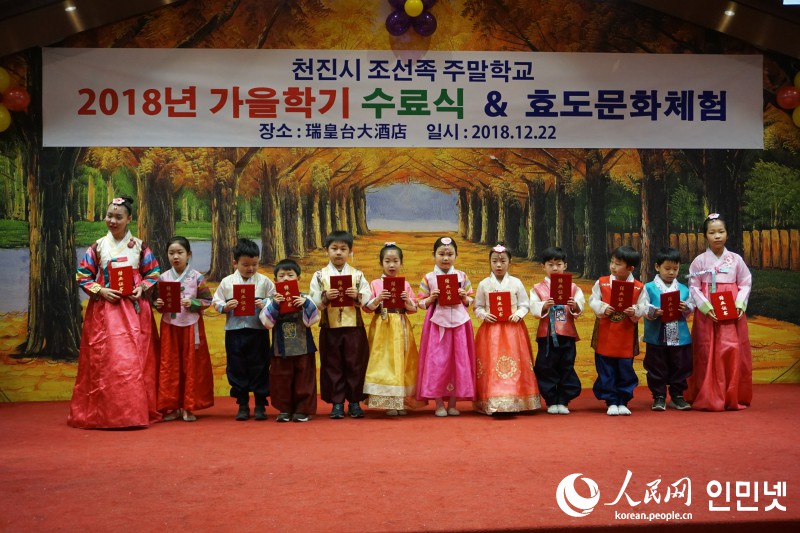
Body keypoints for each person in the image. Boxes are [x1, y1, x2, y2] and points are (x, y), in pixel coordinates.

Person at [68, 196, 161, 429]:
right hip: (105, 311)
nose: (112, 220)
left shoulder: (139, 246)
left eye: (118, 217)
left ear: (129, 219)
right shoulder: (98, 246)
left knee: (134, 361)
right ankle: (103, 413)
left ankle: (136, 411)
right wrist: (100, 290)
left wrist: (142, 288)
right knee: (108, 360)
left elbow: (153, 272)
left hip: (134, 310)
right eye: (109, 216)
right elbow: (82, 275)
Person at [685, 213, 753, 411]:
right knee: (705, 351)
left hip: (731, 309)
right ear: (705, 236)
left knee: (731, 348)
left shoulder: (736, 260)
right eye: (712, 232)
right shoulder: (699, 261)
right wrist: (706, 307)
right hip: (708, 312)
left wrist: (739, 304)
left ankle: (731, 395)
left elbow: (745, 282)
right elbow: (694, 286)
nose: (717, 236)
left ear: (727, 234)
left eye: (721, 231)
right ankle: (707, 394)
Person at [309, 230, 372, 419]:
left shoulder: (358, 275)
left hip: (354, 329)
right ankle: (337, 403)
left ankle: (354, 402)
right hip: (330, 328)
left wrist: (357, 296)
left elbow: (367, 299)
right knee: (332, 365)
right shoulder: (319, 275)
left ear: (350, 252)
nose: (338, 253)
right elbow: (313, 301)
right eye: (334, 248)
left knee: (355, 364)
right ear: (326, 250)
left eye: (343, 249)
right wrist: (325, 297)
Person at [473, 244, 540, 415]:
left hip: (513, 330)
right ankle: (493, 401)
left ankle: (518, 399)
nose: (499, 265)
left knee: (515, 362)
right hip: (491, 331)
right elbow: (477, 307)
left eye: (503, 261)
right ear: (489, 262)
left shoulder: (516, 283)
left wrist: (518, 314)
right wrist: (484, 315)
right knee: (492, 363)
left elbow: (524, 304)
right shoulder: (484, 284)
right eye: (494, 261)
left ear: (510, 262)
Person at [212, 238, 275, 421]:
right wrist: (225, 306)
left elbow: (275, 299)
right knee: (237, 366)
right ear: (235, 263)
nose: (250, 268)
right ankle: (243, 404)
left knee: (260, 365)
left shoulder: (264, 282)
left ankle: (261, 404)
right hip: (235, 331)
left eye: (254, 264)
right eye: (245, 265)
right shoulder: (227, 282)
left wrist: (265, 303)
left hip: (258, 331)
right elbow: (216, 301)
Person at [153, 236, 214, 422]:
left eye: (180, 252)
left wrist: (193, 302)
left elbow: (207, 300)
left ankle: (189, 406)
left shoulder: (197, 277)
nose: (175, 257)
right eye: (171, 253)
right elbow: (158, 302)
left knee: (191, 364)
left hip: (191, 327)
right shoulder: (163, 278)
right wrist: (158, 304)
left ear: (189, 254)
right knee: (170, 365)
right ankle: (172, 406)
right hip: (170, 327)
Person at [416, 236, 476, 417]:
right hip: (437, 324)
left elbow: (470, 300)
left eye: (450, 254)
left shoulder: (462, 276)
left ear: (456, 256)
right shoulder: (428, 278)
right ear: (434, 255)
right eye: (441, 254)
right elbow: (420, 303)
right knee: (437, 361)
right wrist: (431, 298)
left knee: (459, 361)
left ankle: (453, 403)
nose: (445, 258)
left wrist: (464, 297)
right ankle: (439, 403)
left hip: (460, 324)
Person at [363, 243, 421, 416]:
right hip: (383, 326)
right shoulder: (375, 284)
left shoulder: (405, 284)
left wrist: (406, 300)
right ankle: (389, 402)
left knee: (403, 360)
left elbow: (414, 309)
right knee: (384, 362)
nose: (391, 265)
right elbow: (367, 308)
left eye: (395, 261)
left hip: (401, 325)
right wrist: (378, 299)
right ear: (381, 263)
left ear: (401, 263)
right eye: (387, 261)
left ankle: (401, 401)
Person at [260, 259, 320, 422]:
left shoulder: (305, 298)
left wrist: (306, 304)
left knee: (304, 378)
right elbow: (266, 323)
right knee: (281, 379)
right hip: (281, 348)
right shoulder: (272, 300)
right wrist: (275, 305)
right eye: (282, 276)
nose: (286, 278)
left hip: (303, 347)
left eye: (290, 275)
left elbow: (313, 319)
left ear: (298, 278)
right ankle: (284, 410)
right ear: (275, 280)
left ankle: (302, 410)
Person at [588, 246, 646, 416]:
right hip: (605, 333)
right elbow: (593, 300)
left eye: (618, 264)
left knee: (625, 368)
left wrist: (635, 310)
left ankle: (623, 400)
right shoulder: (602, 282)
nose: (613, 266)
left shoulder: (638, 287)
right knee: (606, 368)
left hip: (626, 335)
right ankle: (611, 401)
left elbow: (644, 306)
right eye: (612, 262)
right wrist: (602, 307)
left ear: (630, 268)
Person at [529, 247, 585, 415]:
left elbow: (579, 308)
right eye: (550, 264)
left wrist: (575, 306)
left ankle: (563, 400)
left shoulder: (573, 288)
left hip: (567, 334)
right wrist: (544, 305)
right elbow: (534, 308)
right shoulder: (537, 288)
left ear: (565, 265)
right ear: (543, 266)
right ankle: (551, 400)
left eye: (558, 264)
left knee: (566, 365)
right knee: (546, 366)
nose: (554, 268)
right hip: (546, 335)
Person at [641, 247, 694, 412]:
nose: (671, 272)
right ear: (657, 267)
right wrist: (653, 311)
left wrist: (686, 308)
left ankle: (677, 396)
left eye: (675, 269)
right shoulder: (648, 287)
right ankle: (659, 396)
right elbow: (642, 306)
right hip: (656, 334)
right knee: (656, 366)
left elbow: (691, 307)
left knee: (680, 365)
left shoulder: (684, 289)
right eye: (667, 268)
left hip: (679, 335)